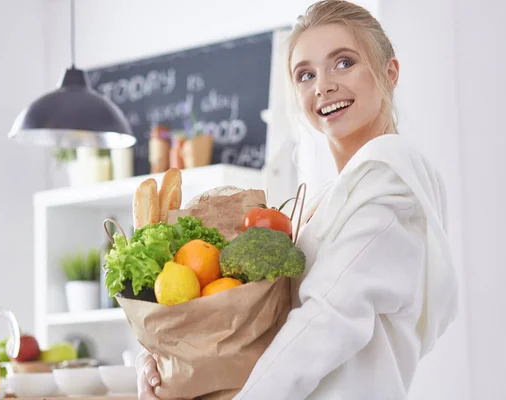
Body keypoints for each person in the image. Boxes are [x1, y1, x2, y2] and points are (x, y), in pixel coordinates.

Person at [137, 0, 459, 398]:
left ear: (389, 73)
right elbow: (264, 325)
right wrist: (165, 360)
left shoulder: (389, 185)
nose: (323, 85)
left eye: (343, 63)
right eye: (306, 74)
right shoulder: (326, 199)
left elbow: (327, 321)